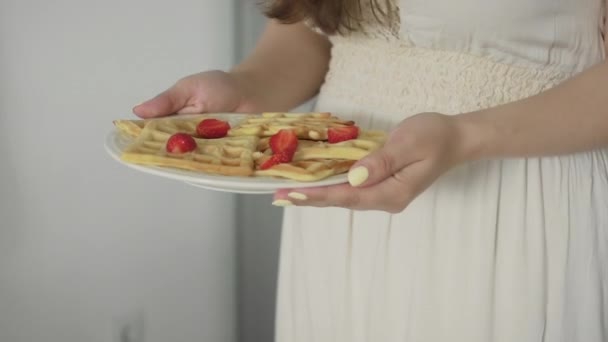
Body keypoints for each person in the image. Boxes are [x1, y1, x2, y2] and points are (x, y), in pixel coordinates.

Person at [134, 0, 608, 341]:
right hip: (340, 214)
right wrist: (246, 88)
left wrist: (465, 137)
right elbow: (313, 28)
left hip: (513, 203)